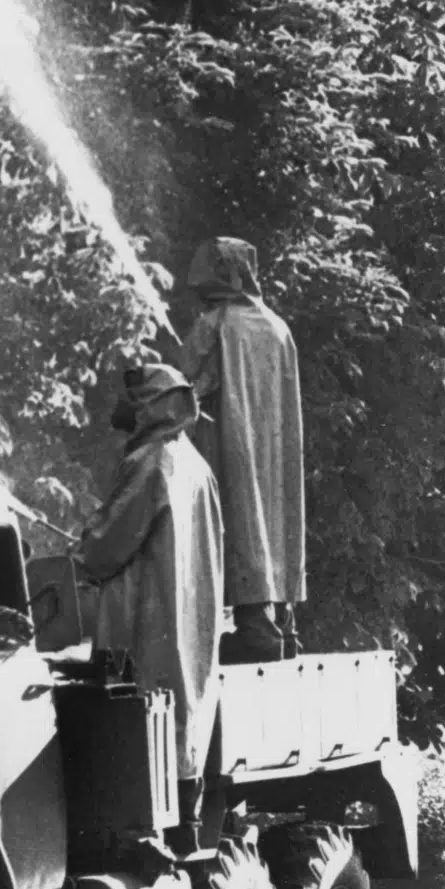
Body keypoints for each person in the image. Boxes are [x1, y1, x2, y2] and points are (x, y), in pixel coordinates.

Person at [77, 364, 224, 830]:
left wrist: (81, 550)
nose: (121, 406)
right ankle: (184, 818)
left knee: (141, 717)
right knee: (183, 713)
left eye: (131, 397)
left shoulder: (152, 462)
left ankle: (152, 829)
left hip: (149, 615)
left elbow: (105, 548)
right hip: (188, 613)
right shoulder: (196, 465)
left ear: (151, 407)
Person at [178, 237, 305, 661]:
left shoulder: (216, 324)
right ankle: (283, 625)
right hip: (277, 450)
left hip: (231, 445)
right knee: (276, 519)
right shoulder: (278, 327)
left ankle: (255, 631)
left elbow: (184, 391)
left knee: (241, 519)